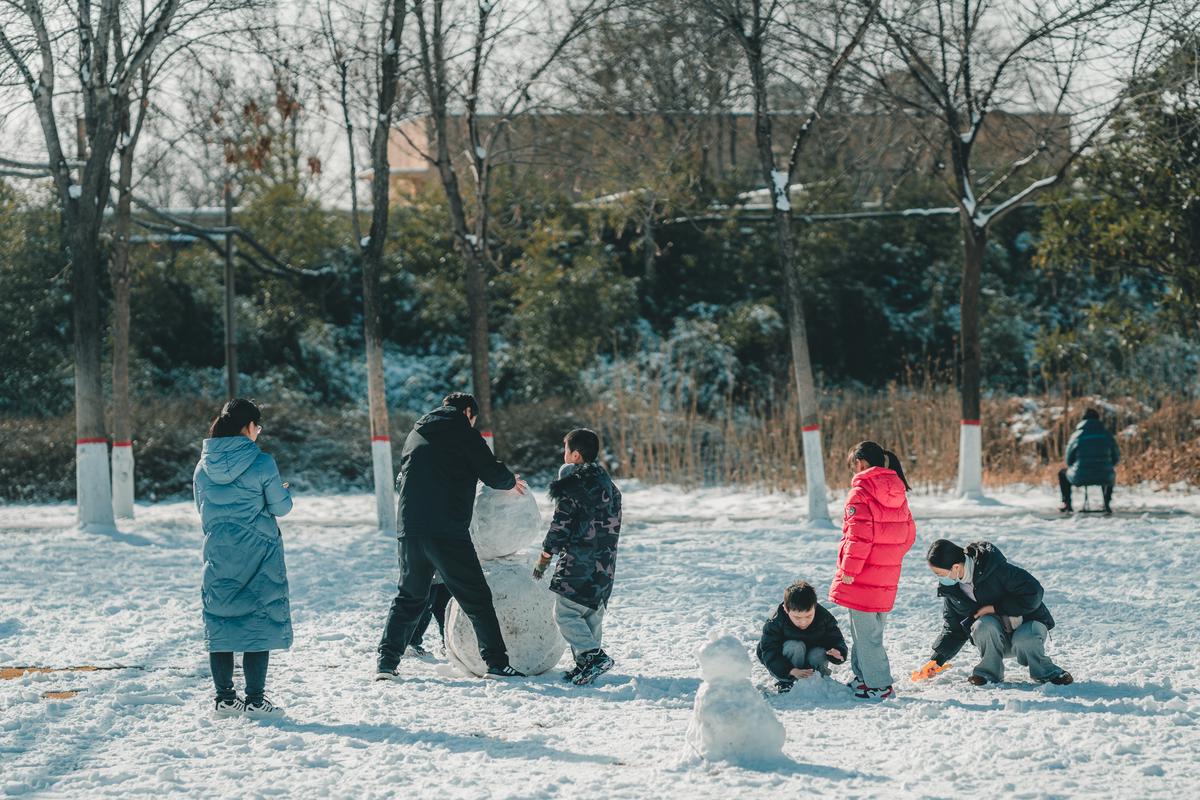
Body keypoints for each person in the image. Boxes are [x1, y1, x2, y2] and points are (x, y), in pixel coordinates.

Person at [376, 392, 529, 680]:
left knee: (410, 596)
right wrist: (511, 482)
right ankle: (496, 663)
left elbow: (402, 479)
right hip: (446, 530)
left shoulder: (416, 433)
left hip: (409, 529)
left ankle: (386, 662)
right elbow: (491, 472)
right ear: (469, 412)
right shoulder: (462, 431)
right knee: (477, 598)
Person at [194, 398, 292, 717]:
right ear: (248, 427)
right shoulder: (261, 463)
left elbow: (203, 509)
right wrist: (280, 492)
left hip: (219, 551)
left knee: (221, 620)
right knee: (256, 622)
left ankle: (224, 698)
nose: (258, 433)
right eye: (258, 427)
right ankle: (255, 700)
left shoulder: (203, 466)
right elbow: (281, 507)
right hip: (258, 551)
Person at [914, 539, 1073, 686]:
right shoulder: (953, 590)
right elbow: (953, 627)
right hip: (995, 640)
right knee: (982, 625)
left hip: (1027, 627)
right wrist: (937, 660)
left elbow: (1033, 592)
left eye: (940, 574)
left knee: (1024, 638)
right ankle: (988, 674)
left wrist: (996, 608)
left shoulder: (995, 568)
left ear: (956, 567)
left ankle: (1048, 673)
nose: (940, 579)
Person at [533, 428, 622, 686]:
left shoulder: (572, 486)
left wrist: (545, 556)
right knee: (591, 612)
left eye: (565, 450)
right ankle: (586, 664)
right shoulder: (610, 486)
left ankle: (593, 657)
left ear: (575, 455)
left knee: (566, 613)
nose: (563, 454)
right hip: (605, 562)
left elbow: (560, 525)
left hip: (579, 561)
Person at [828, 441, 916, 701]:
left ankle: (879, 685)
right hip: (886, 574)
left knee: (867, 636)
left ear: (859, 463)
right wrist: (888, 557)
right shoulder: (897, 490)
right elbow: (909, 534)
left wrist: (848, 570)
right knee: (867, 632)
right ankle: (863, 677)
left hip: (862, 574)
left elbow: (858, 537)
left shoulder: (861, 492)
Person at [756, 580, 848, 694]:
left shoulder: (824, 618)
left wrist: (838, 652)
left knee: (819, 652)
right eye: (797, 618)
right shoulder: (775, 621)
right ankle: (786, 682)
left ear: (814, 607)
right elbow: (769, 651)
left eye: (808, 616)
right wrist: (790, 671)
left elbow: (835, 638)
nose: (803, 622)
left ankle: (816, 679)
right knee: (794, 646)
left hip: (811, 657)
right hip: (787, 662)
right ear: (786, 609)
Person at [1059, 408, 1121, 514]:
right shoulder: (1107, 435)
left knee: (1062, 473)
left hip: (1080, 476)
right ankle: (1107, 503)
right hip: (1104, 475)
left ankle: (1067, 504)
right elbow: (1116, 457)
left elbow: (1068, 459)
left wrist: (1076, 466)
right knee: (1110, 472)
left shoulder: (1076, 436)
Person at [407, 581, 452, 657]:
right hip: (426, 576)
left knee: (445, 609)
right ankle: (411, 643)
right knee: (424, 608)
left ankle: (448, 644)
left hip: (443, 575)